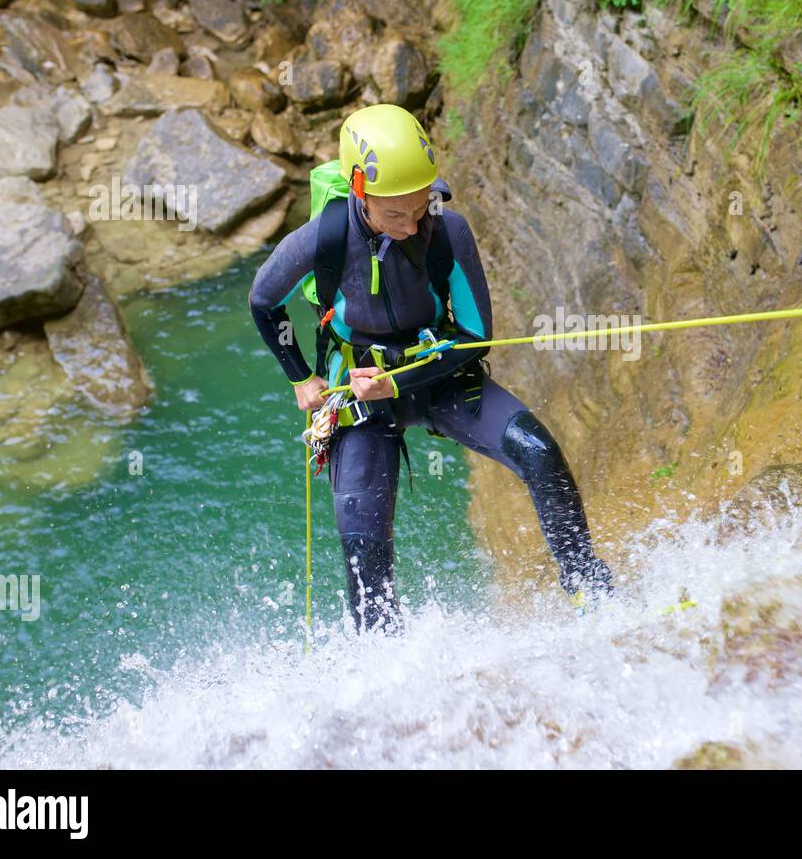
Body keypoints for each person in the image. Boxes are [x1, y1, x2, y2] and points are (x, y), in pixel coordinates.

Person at [249, 104, 613, 632]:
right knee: (362, 546)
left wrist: (395, 379)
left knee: (540, 453)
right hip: (356, 391)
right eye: (394, 214)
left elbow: (474, 338)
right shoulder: (322, 239)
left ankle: (591, 592)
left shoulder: (447, 231)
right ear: (358, 190)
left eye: (419, 208)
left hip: (437, 373)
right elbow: (264, 302)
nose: (410, 224)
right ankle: (386, 661)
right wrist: (301, 376)